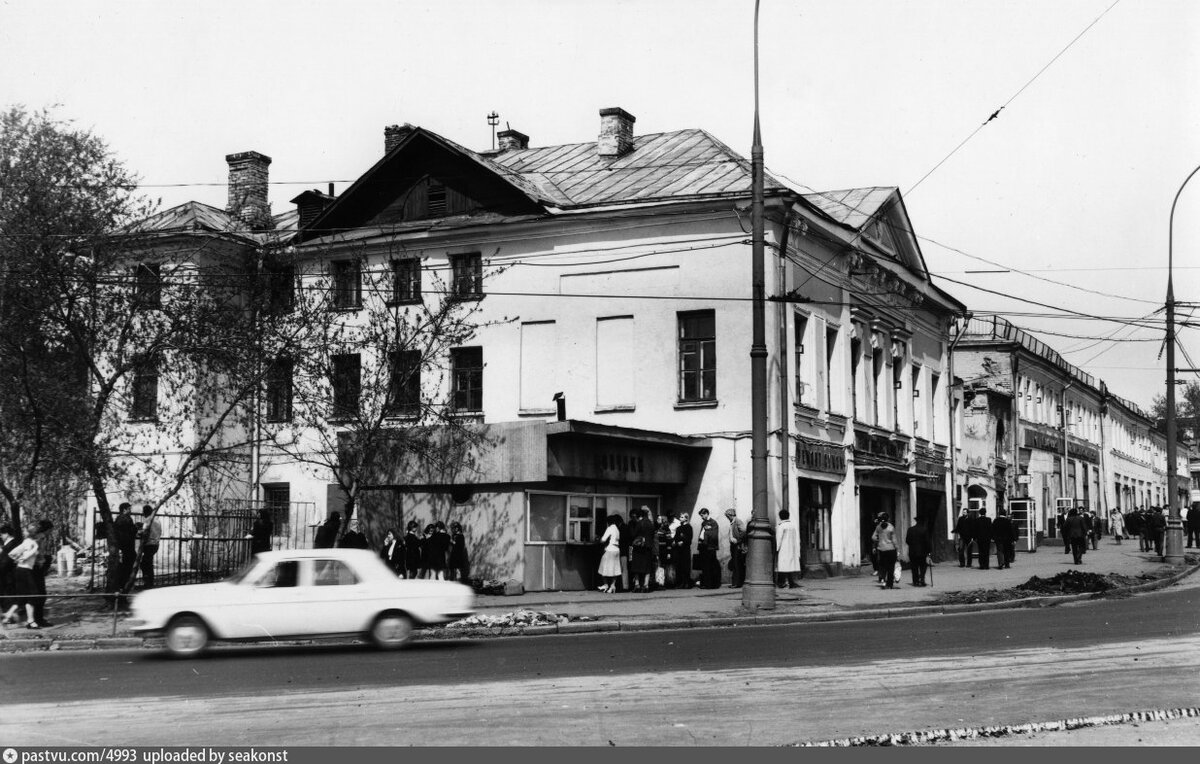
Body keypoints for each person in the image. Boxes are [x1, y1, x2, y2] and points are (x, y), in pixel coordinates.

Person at [1, 524, 39, 628]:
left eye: (25, 531)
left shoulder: (28, 542)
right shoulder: (29, 542)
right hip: (24, 570)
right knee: (31, 595)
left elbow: (12, 554)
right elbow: (12, 554)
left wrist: (19, 558)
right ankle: (30, 621)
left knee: (24, 596)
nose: (24, 533)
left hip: (24, 570)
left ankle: (10, 616)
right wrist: (24, 557)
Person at [30, 519, 54, 626]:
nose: (51, 532)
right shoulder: (41, 538)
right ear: (48, 529)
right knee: (40, 594)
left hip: (35, 567)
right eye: (51, 530)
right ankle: (38, 619)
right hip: (36, 568)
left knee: (39, 594)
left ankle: (37, 618)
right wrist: (43, 560)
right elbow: (37, 552)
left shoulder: (37, 537)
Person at [628, 508, 655, 593]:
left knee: (636, 567)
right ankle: (646, 585)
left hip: (639, 548)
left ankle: (637, 585)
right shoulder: (650, 523)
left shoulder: (639, 523)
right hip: (648, 548)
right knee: (647, 567)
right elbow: (652, 535)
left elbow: (633, 534)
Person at [113, 502, 138, 592]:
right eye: (129, 509)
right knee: (128, 565)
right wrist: (136, 527)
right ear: (124, 510)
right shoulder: (126, 518)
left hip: (123, 545)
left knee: (125, 565)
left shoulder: (119, 518)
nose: (130, 511)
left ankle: (123, 584)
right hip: (127, 545)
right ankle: (125, 584)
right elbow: (131, 531)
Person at [775, 508, 802, 589]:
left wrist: (777, 548)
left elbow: (779, 538)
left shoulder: (781, 526)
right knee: (790, 566)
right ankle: (791, 582)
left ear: (780, 517)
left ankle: (784, 583)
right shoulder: (792, 525)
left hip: (783, 548)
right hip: (792, 548)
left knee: (783, 566)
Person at [871, 513, 898, 589]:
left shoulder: (878, 527)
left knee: (883, 566)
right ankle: (890, 584)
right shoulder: (891, 527)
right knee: (891, 567)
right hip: (891, 549)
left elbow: (873, 537)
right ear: (888, 519)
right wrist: (897, 548)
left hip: (882, 549)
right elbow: (894, 540)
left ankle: (883, 581)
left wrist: (879, 540)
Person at [138, 505, 162, 589]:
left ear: (145, 512)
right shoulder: (157, 520)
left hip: (149, 544)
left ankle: (148, 583)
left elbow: (144, 531)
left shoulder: (148, 520)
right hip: (156, 544)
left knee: (145, 564)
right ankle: (149, 582)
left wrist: (138, 532)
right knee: (148, 563)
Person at [696, 508, 721, 589]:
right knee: (705, 566)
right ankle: (706, 583)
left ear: (706, 513)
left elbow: (713, 535)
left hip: (710, 547)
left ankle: (712, 584)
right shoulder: (704, 523)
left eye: (702, 515)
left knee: (711, 565)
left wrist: (707, 532)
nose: (702, 517)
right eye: (701, 516)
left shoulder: (713, 523)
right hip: (703, 547)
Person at [597, 515, 621, 593]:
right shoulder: (617, 529)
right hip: (617, 549)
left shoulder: (610, 528)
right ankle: (613, 586)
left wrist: (599, 539)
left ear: (608, 522)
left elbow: (603, 539)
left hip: (610, 549)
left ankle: (605, 584)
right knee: (615, 568)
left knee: (603, 567)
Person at [905, 518, 931, 586]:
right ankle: (922, 579)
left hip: (912, 551)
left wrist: (912, 545)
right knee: (923, 566)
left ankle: (915, 581)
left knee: (914, 567)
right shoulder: (924, 530)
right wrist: (929, 551)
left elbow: (907, 541)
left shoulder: (910, 529)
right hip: (922, 552)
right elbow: (927, 542)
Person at [671, 511, 694, 589]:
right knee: (679, 566)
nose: (680, 518)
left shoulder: (688, 527)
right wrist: (676, 542)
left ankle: (686, 582)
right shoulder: (679, 528)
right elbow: (676, 538)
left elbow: (689, 539)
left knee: (685, 566)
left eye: (682, 517)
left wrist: (683, 542)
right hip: (678, 550)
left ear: (686, 519)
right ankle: (680, 582)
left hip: (685, 550)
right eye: (680, 517)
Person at [725, 508, 746, 588]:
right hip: (733, 545)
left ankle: (737, 583)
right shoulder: (732, 522)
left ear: (731, 515)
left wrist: (738, 539)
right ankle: (735, 582)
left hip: (737, 545)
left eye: (728, 516)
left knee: (737, 564)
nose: (727, 518)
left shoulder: (737, 521)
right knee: (735, 563)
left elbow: (743, 530)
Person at [654, 514, 674, 589]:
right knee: (657, 566)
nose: (657, 520)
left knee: (661, 566)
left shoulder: (666, 529)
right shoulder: (656, 528)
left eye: (659, 519)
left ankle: (661, 583)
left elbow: (669, 541)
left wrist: (669, 552)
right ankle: (657, 582)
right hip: (657, 549)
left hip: (663, 550)